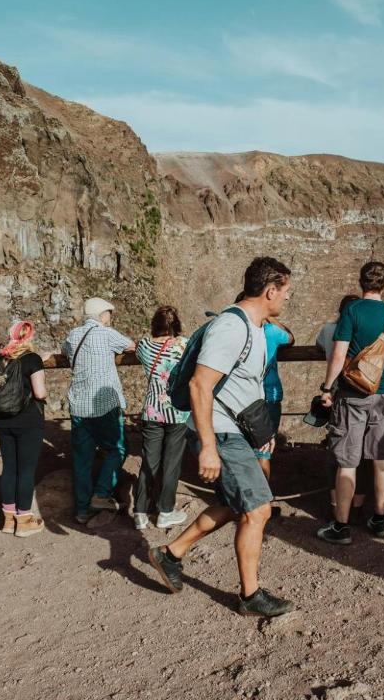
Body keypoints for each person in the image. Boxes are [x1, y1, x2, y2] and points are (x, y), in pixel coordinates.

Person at [148, 257, 295, 618]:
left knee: (236, 505)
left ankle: (170, 554)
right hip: (220, 433)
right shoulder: (231, 327)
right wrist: (209, 449)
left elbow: (243, 387)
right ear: (270, 290)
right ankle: (250, 595)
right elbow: (201, 385)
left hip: (236, 430)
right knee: (258, 508)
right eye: (286, 292)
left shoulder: (254, 327)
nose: (287, 298)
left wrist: (261, 433)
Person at [316, 262, 384, 545]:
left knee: (347, 462)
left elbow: (339, 355)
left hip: (353, 396)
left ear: (361, 282)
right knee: (382, 461)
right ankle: (379, 520)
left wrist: (327, 388)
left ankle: (341, 526)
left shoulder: (352, 312)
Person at [62, 297, 135, 525]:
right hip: (104, 404)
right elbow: (131, 345)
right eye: (109, 314)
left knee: (82, 458)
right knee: (117, 449)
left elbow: (64, 351)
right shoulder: (107, 333)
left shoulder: (74, 335)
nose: (110, 318)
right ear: (102, 315)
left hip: (79, 405)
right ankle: (101, 493)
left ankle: (82, 509)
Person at [315, 294, 372, 521]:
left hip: (336, 393)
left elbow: (320, 346)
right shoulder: (363, 330)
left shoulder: (328, 330)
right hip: (361, 392)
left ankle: (335, 503)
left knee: (337, 453)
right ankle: (357, 505)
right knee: (361, 452)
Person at [133, 306, 190, 531]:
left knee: (149, 460)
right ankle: (165, 511)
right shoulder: (184, 345)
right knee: (171, 463)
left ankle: (140, 512)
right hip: (177, 411)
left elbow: (135, 348)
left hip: (151, 410)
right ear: (176, 325)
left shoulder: (144, 346)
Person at [0, 321, 47, 537]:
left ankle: (8, 519)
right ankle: (24, 521)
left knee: (9, 468)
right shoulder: (32, 359)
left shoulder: (1, 360)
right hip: (28, 421)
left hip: (4, 420)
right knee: (26, 470)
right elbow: (40, 392)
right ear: (29, 337)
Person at [259, 315, 295, 480]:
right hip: (269, 395)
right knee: (263, 451)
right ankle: (262, 500)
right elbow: (290, 338)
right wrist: (270, 317)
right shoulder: (271, 331)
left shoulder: (237, 330)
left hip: (244, 397)